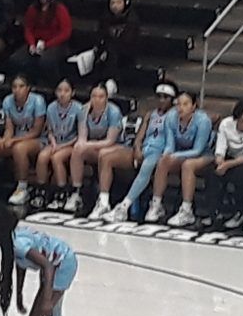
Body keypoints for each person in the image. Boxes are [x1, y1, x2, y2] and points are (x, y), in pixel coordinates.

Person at [90, 81, 176, 221]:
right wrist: (137, 148)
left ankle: (124, 206)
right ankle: (103, 203)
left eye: (165, 97)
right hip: (144, 148)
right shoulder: (150, 114)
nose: (161, 100)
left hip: (158, 152)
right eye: (159, 96)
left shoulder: (174, 116)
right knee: (107, 158)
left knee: (146, 168)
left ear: (172, 100)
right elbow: (140, 136)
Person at [143, 91, 213, 226]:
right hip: (182, 153)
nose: (181, 107)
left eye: (185, 104)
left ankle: (187, 211)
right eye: (178, 104)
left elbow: (198, 150)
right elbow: (170, 144)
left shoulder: (203, 121)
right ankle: (157, 205)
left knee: (188, 165)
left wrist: (174, 155)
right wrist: (167, 154)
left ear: (194, 106)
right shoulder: (171, 117)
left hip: (205, 155)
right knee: (163, 161)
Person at [0, 74, 47, 206]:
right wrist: (6, 139)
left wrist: (14, 140)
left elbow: (36, 131)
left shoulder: (38, 101)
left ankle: (22, 188)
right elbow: (9, 128)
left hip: (38, 140)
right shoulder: (7, 101)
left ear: (28, 88)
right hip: (17, 137)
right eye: (14, 87)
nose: (17, 90)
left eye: (21, 86)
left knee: (19, 148)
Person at [199, 99, 243, 229]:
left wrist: (228, 165)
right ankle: (214, 211)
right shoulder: (226, 124)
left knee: (240, 175)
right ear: (237, 117)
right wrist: (220, 162)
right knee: (211, 172)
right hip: (230, 156)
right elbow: (220, 148)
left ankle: (240, 213)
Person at [63, 83, 123, 214]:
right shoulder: (84, 110)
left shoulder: (114, 112)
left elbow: (110, 140)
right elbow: (82, 137)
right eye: (94, 96)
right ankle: (76, 192)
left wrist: (88, 145)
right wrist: (83, 145)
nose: (97, 99)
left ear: (107, 98)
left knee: (104, 153)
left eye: (101, 96)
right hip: (94, 145)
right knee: (77, 150)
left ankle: (103, 201)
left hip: (116, 146)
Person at [8, 0, 71, 86]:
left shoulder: (60, 9)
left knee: (46, 61)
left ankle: (53, 86)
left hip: (55, 44)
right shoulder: (33, 9)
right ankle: (27, 84)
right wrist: (32, 44)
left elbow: (65, 32)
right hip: (36, 42)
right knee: (16, 59)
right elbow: (28, 28)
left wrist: (47, 45)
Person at [32, 79, 82, 209]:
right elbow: (50, 130)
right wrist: (54, 143)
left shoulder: (79, 109)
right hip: (56, 141)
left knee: (56, 158)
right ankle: (41, 191)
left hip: (71, 143)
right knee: (42, 157)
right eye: (59, 90)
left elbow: (80, 135)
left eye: (66, 91)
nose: (62, 94)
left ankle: (62, 193)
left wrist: (61, 147)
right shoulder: (51, 107)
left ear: (73, 92)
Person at [95, 0, 141, 83]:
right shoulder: (105, 18)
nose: (115, 6)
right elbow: (101, 35)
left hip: (126, 52)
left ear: (125, 3)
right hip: (109, 50)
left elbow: (129, 40)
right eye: (112, 3)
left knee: (112, 53)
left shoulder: (132, 19)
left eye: (119, 2)